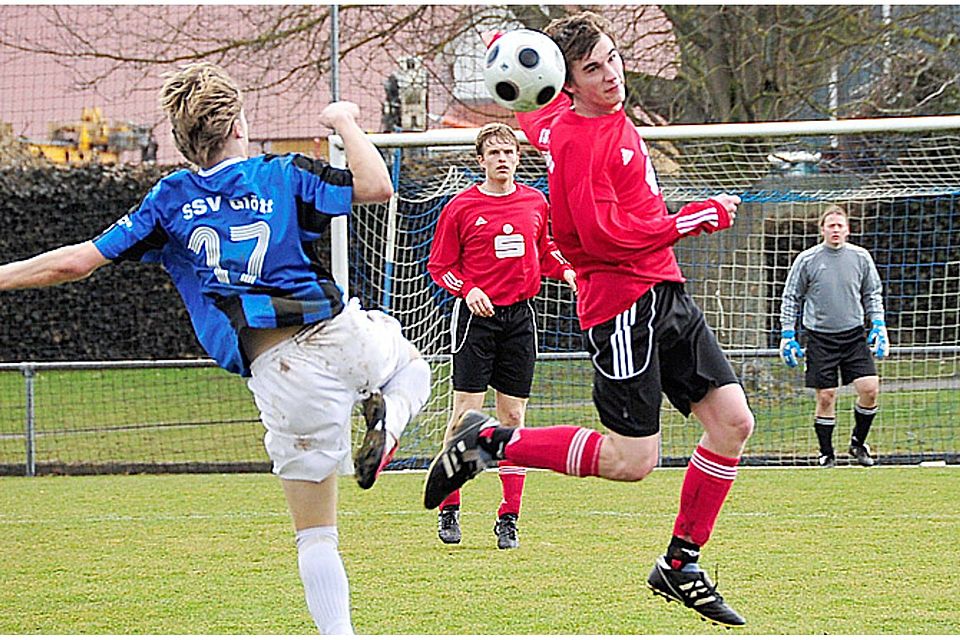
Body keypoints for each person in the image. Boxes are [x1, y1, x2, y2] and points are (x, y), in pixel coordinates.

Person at [0, 62, 432, 635]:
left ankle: (340, 636)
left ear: (182, 142)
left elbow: (76, 262)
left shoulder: (169, 198)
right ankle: (392, 421)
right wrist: (345, 121)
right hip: (336, 333)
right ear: (238, 127)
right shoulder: (280, 173)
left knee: (316, 534)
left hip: (276, 370)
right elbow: (377, 185)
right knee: (410, 365)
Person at [422, 12, 753, 627]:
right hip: (622, 304)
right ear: (569, 85)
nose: (611, 76)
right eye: (593, 69)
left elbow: (530, 103)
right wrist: (693, 217)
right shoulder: (578, 142)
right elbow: (598, 238)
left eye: (613, 59)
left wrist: (507, 48)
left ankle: (680, 563)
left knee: (733, 423)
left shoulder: (574, 115)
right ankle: (493, 441)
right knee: (634, 461)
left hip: (664, 293)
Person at [426, 122, 577, 549]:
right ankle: (449, 508)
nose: (503, 160)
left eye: (509, 152)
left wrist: (565, 271)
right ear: (481, 161)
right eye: (494, 153)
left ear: (517, 157)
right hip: (476, 322)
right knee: (464, 418)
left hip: (519, 320)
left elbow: (544, 250)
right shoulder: (460, 207)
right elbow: (441, 267)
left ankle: (508, 517)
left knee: (513, 420)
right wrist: (468, 288)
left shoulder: (535, 202)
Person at [779, 204, 888, 468]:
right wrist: (787, 334)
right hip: (820, 337)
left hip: (853, 336)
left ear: (848, 230)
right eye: (831, 225)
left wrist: (878, 325)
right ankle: (827, 453)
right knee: (826, 395)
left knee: (870, 389)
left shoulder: (861, 258)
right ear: (823, 230)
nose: (836, 230)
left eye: (840, 225)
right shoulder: (807, 260)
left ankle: (858, 444)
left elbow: (872, 293)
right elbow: (791, 297)